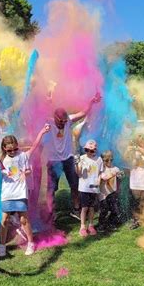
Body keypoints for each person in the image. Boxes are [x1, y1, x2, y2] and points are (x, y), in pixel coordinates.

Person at [43, 94, 101, 223]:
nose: (63, 123)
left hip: (68, 159)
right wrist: (47, 102)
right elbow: (40, 113)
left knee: (75, 185)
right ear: (55, 118)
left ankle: (75, 209)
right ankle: (51, 213)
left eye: (65, 121)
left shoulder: (69, 120)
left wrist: (91, 102)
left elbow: (83, 112)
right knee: (51, 189)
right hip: (53, 160)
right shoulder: (49, 122)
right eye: (61, 121)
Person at [0, 124, 51, 257]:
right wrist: (2, 172)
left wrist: (42, 132)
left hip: (20, 192)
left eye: (15, 149)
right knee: (4, 220)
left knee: (23, 219)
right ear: (4, 149)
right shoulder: (1, 158)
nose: (13, 152)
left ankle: (30, 243)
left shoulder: (23, 156)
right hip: (7, 193)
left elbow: (35, 146)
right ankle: (2, 245)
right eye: (10, 150)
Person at [126, 133, 144, 229]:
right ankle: (136, 220)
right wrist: (127, 150)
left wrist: (137, 149)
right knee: (136, 202)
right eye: (139, 140)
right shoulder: (134, 150)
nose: (141, 141)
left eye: (143, 139)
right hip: (135, 180)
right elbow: (125, 159)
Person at [75, 139, 103, 237]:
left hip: (94, 188)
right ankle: (82, 226)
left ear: (95, 150)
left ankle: (91, 225)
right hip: (84, 187)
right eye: (87, 150)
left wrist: (99, 181)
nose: (89, 152)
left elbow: (100, 173)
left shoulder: (99, 159)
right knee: (84, 208)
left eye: (92, 150)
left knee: (91, 208)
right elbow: (78, 173)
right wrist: (76, 164)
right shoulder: (82, 158)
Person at [98, 150, 123, 232]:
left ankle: (111, 224)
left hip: (112, 193)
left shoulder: (116, 168)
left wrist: (120, 177)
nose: (109, 162)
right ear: (102, 160)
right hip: (103, 194)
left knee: (114, 210)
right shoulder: (101, 170)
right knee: (104, 210)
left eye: (111, 160)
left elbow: (119, 181)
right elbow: (104, 178)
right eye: (106, 160)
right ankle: (101, 225)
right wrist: (114, 174)